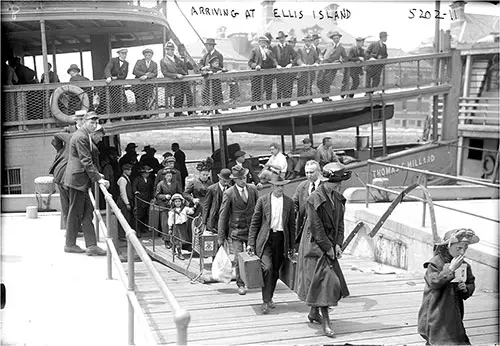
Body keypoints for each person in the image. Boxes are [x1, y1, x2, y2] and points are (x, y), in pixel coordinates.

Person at [296, 162, 351, 338]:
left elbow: (340, 224)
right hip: (314, 246)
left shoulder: (338, 198)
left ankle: (314, 312)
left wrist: (337, 244)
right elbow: (316, 227)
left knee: (320, 283)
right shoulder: (314, 199)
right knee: (326, 282)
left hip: (329, 245)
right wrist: (328, 248)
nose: (339, 185)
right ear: (327, 181)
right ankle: (326, 321)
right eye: (336, 182)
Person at [417, 228, 479, 345]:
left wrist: (465, 288)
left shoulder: (464, 265)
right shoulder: (435, 263)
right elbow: (434, 281)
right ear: (447, 246)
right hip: (436, 311)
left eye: (465, 248)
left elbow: (470, 282)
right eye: (458, 248)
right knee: (439, 337)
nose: (462, 252)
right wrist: (450, 269)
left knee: (455, 338)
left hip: (453, 312)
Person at [247, 176, 296, 314]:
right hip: (266, 240)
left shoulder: (289, 202)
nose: (280, 188)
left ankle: (269, 298)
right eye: (277, 186)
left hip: (281, 239)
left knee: (275, 270)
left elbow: (292, 225)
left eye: (282, 186)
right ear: (272, 186)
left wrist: (292, 246)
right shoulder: (262, 200)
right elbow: (255, 223)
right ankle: (265, 300)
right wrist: (251, 243)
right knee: (267, 268)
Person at [63, 111, 108, 255]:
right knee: (75, 212)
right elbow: (86, 160)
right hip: (77, 180)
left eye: (95, 123)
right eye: (91, 122)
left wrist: (96, 174)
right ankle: (70, 244)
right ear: (84, 122)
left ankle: (92, 246)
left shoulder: (84, 135)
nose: (94, 125)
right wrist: (98, 178)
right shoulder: (81, 136)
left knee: (88, 212)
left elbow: (87, 161)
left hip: (81, 180)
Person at [218, 165, 259, 295]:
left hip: (252, 230)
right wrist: (221, 236)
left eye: (244, 177)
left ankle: (253, 281)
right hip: (236, 231)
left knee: (253, 256)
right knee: (237, 257)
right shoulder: (229, 193)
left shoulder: (252, 190)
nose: (243, 180)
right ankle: (240, 284)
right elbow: (223, 215)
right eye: (240, 178)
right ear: (235, 180)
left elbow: (259, 211)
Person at [293, 160, 322, 248]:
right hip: (304, 226)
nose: (309, 175)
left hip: (320, 228)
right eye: (307, 173)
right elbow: (295, 203)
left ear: (318, 172)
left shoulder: (324, 186)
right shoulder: (302, 186)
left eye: (311, 172)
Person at [49, 130, 72, 230]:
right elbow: (56, 134)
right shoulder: (71, 138)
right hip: (64, 178)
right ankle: (70, 229)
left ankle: (69, 228)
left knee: (66, 204)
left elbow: (56, 135)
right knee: (70, 204)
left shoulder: (62, 150)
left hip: (60, 177)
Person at [156, 169, 183, 248]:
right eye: (167, 176)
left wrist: (176, 197)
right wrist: (164, 196)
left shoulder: (176, 183)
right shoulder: (161, 184)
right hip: (164, 206)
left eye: (170, 176)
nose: (169, 177)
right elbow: (157, 195)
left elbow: (180, 192)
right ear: (164, 176)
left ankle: (175, 240)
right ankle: (166, 240)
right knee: (165, 224)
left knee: (174, 222)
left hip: (174, 205)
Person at [248, 36, 277, 110]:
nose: (263, 44)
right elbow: (250, 62)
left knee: (268, 89)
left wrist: (275, 65)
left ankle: (268, 105)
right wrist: (255, 66)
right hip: (257, 73)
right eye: (262, 42)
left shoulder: (269, 51)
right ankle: (256, 105)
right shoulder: (254, 51)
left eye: (265, 42)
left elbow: (273, 61)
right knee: (256, 90)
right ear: (259, 42)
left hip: (267, 73)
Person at [160, 42, 189, 117]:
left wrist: (185, 59)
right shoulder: (163, 61)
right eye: (169, 49)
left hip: (182, 80)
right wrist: (176, 75)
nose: (171, 51)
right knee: (178, 96)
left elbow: (185, 68)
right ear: (166, 50)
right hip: (173, 81)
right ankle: (177, 113)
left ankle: (179, 112)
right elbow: (165, 72)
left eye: (172, 49)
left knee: (182, 96)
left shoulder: (177, 58)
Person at [318, 31, 347, 101]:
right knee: (320, 81)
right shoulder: (328, 46)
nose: (336, 39)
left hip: (333, 67)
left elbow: (345, 57)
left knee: (328, 81)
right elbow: (321, 54)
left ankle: (326, 97)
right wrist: (322, 59)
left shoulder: (341, 48)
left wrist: (340, 61)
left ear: (339, 39)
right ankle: (323, 96)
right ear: (332, 39)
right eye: (334, 38)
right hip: (324, 66)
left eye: (337, 38)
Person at [202, 168, 231, 234]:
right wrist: (204, 222)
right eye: (224, 181)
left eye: (228, 181)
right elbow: (206, 206)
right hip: (214, 219)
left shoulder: (231, 189)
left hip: (227, 219)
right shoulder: (211, 189)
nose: (226, 183)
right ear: (220, 179)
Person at [272, 30, 297, 107]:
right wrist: (276, 65)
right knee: (279, 87)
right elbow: (273, 58)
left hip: (287, 71)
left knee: (288, 86)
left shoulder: (289, 47)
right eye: (280, 38)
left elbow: (296, 57)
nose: (281, 39)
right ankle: (279, 104)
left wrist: (291, 64)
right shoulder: (275, 48)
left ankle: (287, 103)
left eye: (282, 37)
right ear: (278, 39)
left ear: (285, 38)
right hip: (279, 71)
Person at [199, 38, 224, 114]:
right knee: (205, 93)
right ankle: (207, 109)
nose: (206, 47)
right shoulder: (206, 55)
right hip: (207, 78)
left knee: (215, 94)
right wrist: (202, 68)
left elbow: (221, 67)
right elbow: (200, 63)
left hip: (215, 79)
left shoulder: (218, 55)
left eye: (208, 45)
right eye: (206, 45)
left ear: (212, 46)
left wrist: (212, 71)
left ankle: (216, 110)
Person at [168, 194, 195, 260]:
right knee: (177, 240)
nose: (178, 203)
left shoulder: (185, 209)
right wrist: (170, 228)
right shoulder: (172, 211)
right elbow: (170, 220)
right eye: (176, 202)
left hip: (183, 226)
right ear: (173, 202)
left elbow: (191, 212)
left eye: (179, 201)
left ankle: (174, 249)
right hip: (176, 226)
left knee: (181, 239)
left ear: (182, 202)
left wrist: (194, 206)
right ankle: (179, 253)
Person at [104, 48, 129, 113]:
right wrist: (109, 77)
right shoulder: (113, 60)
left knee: (119, 99)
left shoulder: (126, 63)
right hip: (108, 83)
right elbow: (107, 69)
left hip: (118, 84)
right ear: (119, 54)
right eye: (122, 53)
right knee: (106, 99)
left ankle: (118, 115)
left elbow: (124, 75)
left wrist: (117, 78)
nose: (124, 55)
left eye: (125, 54)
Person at [132, 48, 158, 112]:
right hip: (139, 86)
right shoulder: (139, 62)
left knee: (146, 100)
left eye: (149, 55)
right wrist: (143, 74)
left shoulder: (154, 64)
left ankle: (146, 114)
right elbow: (134, 71)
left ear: (152, 56)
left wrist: (146, 76)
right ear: (144, 55)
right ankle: (139, 115)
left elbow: (155, 74)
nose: (148, 57)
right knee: (139, 100)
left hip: (148, 86)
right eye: (146, 55)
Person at [296, 35, 319, 104]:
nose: (307, 42)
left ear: (311, 42)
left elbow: (317, 59)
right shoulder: (300, 50)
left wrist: (316, 63)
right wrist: (302, 64)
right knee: (300, 86)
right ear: (304, 42)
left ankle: (308, 100)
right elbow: (298, 59)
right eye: (306, 41)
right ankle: (300, 101)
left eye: (309, 41)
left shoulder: (313, 50)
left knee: (308, 86)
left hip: (310, 72)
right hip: (302, 72)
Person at [133, 165, 155, 237]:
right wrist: (136, 192)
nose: (147, 174)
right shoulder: (137, 179)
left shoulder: (149, 180)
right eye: (146, 173)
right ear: (142, 173)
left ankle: (143, 228)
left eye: (148, 173)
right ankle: (138, 230)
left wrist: (152, 197)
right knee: (139, 214)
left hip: (147, 198)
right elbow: (134, 186)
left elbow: (151, 189)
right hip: (140, 199)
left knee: (145, 214)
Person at [117, 163, 134, 241]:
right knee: (124, 217)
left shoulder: (126, 178)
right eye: (129, 170)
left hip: (126, 200)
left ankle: (124, 234)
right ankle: (121, 235)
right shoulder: (122, 179)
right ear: (125, 171)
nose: (130, 171)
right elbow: (123, 192)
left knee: (127, 217)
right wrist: (127, 203)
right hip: (123, 202)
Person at [178, 44, 195, 115]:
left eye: (184, 50)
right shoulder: (176, 58)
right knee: (179, 97)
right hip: (179, 80)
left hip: (185, 80)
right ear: (179, 51)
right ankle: (178, 113)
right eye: (182, 50)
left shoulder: (185, 58)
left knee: (189, 96)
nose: (183, 51)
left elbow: (191, 67)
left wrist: (187, 59)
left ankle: (190, 112)